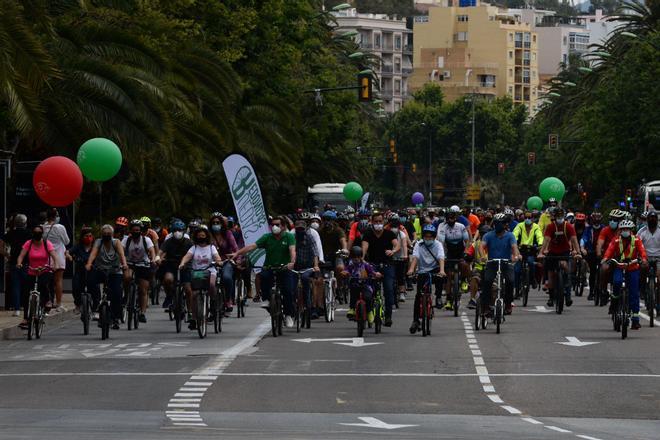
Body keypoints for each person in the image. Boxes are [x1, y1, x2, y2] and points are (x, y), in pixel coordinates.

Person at [229, 216, 296, 327]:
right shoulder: (267, 237)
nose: (274, 227)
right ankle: (266, 299)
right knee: (263, 276)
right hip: (269, 267)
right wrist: (237, 253)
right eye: (273, 224)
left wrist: (292, 262)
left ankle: (288, 315)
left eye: (277, 224)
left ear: (283, 226)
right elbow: (251, 247)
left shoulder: (289, 237)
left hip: (284, 268)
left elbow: (292, 250)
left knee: (288, 291)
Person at [602, 219, 648, 329]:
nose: (625, 231)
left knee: (634, 293)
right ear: (620, 230)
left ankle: (635, 319)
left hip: (633, 267)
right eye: (623, 229)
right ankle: (614, 302)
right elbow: (609, 251)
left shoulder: (636, 239)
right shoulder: (616, 240)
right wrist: (605, 260)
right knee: (617, 283)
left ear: (631, 230)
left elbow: (642, 252)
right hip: (619, 266)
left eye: (627, 229)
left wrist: (644, 260)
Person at [178, 226, 223, 330]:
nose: (201, 238)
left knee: (212, 285)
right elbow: (187, 257)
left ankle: (213, 304)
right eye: (199, 236)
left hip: (210, 271)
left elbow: (217, 258)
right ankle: (194, 318)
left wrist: (219, 262)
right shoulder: (194, 248)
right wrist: (182, 263)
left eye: (203, 236)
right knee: (194, 294)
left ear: (206, 237)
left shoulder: (211, 247)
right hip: (197, 272)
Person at [361, 212, 400, 326]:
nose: (378, 224)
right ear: (372, 222)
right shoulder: (368, 234)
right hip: (372, 265)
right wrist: (362, 258)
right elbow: (364, 247)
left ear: (383, 222)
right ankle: (369, 311)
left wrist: (393, 251)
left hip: (387, 265)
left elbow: (397, 245)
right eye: (376, 222)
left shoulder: (389, 234)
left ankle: (388, 316)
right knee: (369, 290)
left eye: (380, 221)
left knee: (388, 290)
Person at [86, 225, 127, 329]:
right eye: (104, 234)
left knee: (116, 293)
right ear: (101, 234)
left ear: (112, 235)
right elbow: (93, 254)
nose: (106, 236)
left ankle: (115, 318)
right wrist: (89, 263)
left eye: (109, 234)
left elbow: (122, 255)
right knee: (91, 283)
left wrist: (124, 264)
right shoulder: (98, 242)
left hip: (115, 271)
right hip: (101, 270)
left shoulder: (116, 242)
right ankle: (96, 306)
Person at [16, 224, 57, 328]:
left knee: (43, 284)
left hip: (44, 270)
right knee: (26, 293)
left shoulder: (47, 244)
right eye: (35, 232)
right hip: (31, 270)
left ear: (42, 234)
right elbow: (21, 255)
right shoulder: (28, 243)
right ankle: (26, 318)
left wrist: (55, 265)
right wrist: (19, 263)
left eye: (39, 232)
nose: (37, 234)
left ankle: (47, 301)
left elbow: (54, 256)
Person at [538, 207, 581, 308]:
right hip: (552, 252)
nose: (559, 218)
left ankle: (568, 295)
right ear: (554, 217)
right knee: (551, 273)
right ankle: (551, 297)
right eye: (558, 216)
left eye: (561, 216)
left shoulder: (569, 227)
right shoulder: (550, 227)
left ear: (564, 216)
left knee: (565, 266)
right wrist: (541, 252)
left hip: (564, 251)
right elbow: (546, 241)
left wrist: (578, 252)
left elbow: (574, 240)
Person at [407, 224, 445, 333]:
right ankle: (415, 321)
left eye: (430, 237)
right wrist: (411, 270)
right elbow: (415, 258)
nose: (428, 239)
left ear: (434, 237)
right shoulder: (419, 244)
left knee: (439, 278)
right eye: (426, 237)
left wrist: (442, 270)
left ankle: (438, 297)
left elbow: (441, 258)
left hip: (435, 269)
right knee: (418, 295)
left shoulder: (438, 245)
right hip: (422, 271)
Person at [480, 213, 520, 315]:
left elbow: (514, 247)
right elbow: (482, 247)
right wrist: (483, 256)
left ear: (505, 225)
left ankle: (508, 304)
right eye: (496, 223)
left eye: (500, 223)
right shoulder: (488, 235)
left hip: (506, 263)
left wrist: (515, 256)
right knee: (487, 281)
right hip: (492, 263)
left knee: (510, 281)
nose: (498, 225)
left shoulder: (510, 235)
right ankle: (486, 306)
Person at [122, 219, 156, 323]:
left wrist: (153, 260)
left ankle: (142, 312)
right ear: (130, 230)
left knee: (143, 290)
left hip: (143, 265)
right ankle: (126, 295)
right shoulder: (126, 240)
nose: (135, 231)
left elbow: (152, 251)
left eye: (138, 230)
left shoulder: (146, 240)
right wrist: (122, 263)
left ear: (141, 230)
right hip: (130, 264)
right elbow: (121, 252)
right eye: (133, 230)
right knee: (127, 277)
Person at [437, 209, 470, 310]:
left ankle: (464, 280)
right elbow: (441, 243)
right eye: (449, 218)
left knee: (465, 264)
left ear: (455, 218)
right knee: (449, 277)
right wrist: (443, 255)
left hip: (460, 249)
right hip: (450, 251)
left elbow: (467, 240)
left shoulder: (461, 226)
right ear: (446, 219)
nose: (451, 220)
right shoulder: (443, 228)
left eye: (453, 218)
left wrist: (466, 252)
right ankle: (448, 300)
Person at [158, 220, 193, 311]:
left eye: (180, 230)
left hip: (185, 267)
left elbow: (194, 253)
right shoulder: (168, 241)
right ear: (172, 231)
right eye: (175, 230)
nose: (178, 232)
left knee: (188, 289)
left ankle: (190, 312)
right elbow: (161, 251)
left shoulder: (188, 242)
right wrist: (158, 257)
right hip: (171, 266)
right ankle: (169, 296)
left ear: (184, 231)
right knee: (167, 279)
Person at [341, 246, 381, 324]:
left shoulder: (365, 264)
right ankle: (352, 309)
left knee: (368, 297)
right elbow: (346, 270)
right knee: (353, 294)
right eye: (354, 257)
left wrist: (376, 274)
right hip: (355, 284)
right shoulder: (350, 264)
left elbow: (372, 271)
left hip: (366, 285)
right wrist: (344, 272)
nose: (356, 259)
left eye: (358, 257)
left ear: (361, 257)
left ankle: (369, 312)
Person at [209, 213, 238, 312]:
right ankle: (209, 302)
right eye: (214, 223)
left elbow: (235, 248)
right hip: (211, 262)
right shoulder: (208, 235)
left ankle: (228, 299)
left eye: (218, 222)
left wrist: (235, 257)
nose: (216, 224)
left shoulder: (228, 234)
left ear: (222, 224)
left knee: (227, 277)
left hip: (227, 261)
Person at [2, 214, 30, 316]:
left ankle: (17, 309)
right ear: (25, 223)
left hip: (14, 261)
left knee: (16, 285)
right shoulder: (29, 233)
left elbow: (1, 243)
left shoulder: (11, 233)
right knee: (26, 285)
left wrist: (6, 254)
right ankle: (25, 306)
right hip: (26, 262)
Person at [42, 208, 70, 310]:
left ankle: (47, 301)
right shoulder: (60, 227)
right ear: (56, 216)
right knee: (58, 280)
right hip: (59, 256)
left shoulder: (43, 227)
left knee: (46, 280)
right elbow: (67, 241)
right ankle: (58, 303)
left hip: (46, 257)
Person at [597, 209, 626, 303]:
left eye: (615, 220)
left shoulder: (624, 231)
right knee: (604, 269)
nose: (612, 221)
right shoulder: (605, 230)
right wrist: (599, 253)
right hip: (608, 257)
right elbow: (599, 243)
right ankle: (603, 290)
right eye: (611, 219)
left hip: (622, 258)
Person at [292, 219, 320, 318]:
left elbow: (315, 252)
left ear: (305, 229)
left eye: (302, 229)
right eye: (298, 229)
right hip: (294, 266)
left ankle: (308, 306)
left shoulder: (309, 237)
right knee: (291, 286)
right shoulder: (292, 237)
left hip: (307, 267)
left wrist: (316, 265)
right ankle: (292, 307)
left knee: (305, 279)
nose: (300, 231)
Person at [512, 210, 543, 290]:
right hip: (520, 250)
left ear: (532, 219)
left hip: (531, 250)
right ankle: (517, 287)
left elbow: (539, 236)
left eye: (529, 217)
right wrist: (514, 243)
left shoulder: (536, 226)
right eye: (526, 217)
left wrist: (540, 244)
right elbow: (515, 234)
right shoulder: (519, 225)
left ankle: (533, 279)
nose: (527, 219)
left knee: (531, 263)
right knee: (517, 269)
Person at [66, 226, 94, 314]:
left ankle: (96, 308)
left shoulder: (95, 247)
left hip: (92, 271)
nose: (88, 238)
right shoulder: (78, 247)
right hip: (80, 271)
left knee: (95, 287)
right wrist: (69, 257)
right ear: (82, 237)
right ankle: (78, 305)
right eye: (86, 236)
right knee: (75, 286)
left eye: (90, 236)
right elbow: (67, 252)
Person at [638, 210, 660, 314]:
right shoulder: (642, 231)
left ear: (657, 220)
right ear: (647, 220)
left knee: (659, 278)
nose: (652, 220)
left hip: (658, 259)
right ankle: (642, 289)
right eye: (650, 218)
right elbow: (636, 243)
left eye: (654, 218)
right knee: (642, 268)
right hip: (645, 258)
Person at [465, 224, 490, 309]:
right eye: (483, 234)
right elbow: (469, 253)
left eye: (486, 234)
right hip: (479, 268)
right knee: (474, 279)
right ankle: (472, 299)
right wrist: (467, 256)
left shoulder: (494, 244)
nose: (484, 236)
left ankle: (493, 304)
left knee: (495, 286)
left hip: (491, 269)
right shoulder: (475, 244)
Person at [580, 212, 604, 302]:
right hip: (591, 252)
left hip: (603, 253)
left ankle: (603, 291)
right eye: (595, 220)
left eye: (598, 220)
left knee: (603, 272)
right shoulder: (588, 229)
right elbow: (584, 238)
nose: (596, 222)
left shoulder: (604, 229)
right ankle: (591, 292)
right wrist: (582, 248)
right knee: (593, 273)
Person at [388, 216, 410, 303]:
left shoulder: (402, 234)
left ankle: (401, 292)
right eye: (392, 227)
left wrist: (405, 256)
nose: (394, 229)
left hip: (400, 256)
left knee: (400, 275)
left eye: (395, 227)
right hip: (390, 256)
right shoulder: (388, 234)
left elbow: (404, 246)